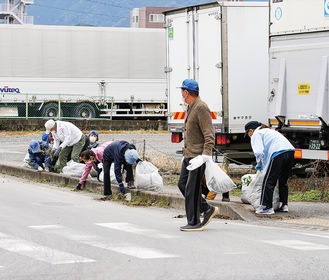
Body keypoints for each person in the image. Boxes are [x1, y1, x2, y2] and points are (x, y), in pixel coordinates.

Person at [177, 79, 219, 232]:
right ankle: (206, 208)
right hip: (189, 155)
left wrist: (205, 155)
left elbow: (209, 134)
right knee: (182, 184)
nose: (181, 94)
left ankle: (194, 222)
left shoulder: (201, 108)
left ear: (186, 92)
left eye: (182, 91)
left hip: (198, 157)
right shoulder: (190, 107)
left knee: (192, 189)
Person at [244, 121, 295, 215]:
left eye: (247, 133)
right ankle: (284, 205)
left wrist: (259, 162)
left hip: (278, 153)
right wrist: (263, 163)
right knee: (283, 180)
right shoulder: (268, 131)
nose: (248, 135)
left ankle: (267, 208)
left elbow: (259, 152)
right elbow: (267, 153)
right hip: (290, 152)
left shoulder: (257, 133)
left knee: (268, 181)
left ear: (251, 130)